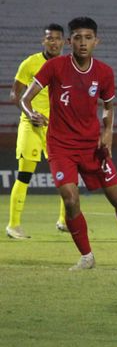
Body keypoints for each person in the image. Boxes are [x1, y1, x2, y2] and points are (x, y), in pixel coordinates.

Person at [20, 17, 117, 271]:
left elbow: (108, 108)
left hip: (93, 148)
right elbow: (25, 98)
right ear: (70, 41)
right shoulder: (55, 67)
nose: (83, 43)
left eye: (88, 37)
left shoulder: (104, 72)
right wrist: (30, 113)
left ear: (97, 41)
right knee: (70, 200)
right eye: (78, 38)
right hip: (61, 146)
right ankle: (87, 256)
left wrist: (107, 134)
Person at [6, 24, 67, 239]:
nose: (53, 42)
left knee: (66, 175)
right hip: (31, 125)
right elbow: (15, 94)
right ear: (44, 41)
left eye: (57, 38)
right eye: (49, 38)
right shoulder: (30, 63)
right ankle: (14, 225)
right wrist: (30, 113)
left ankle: (63, 220)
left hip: (57, 128)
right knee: (24, 175)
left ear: (64, 42)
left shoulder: (69, 65)